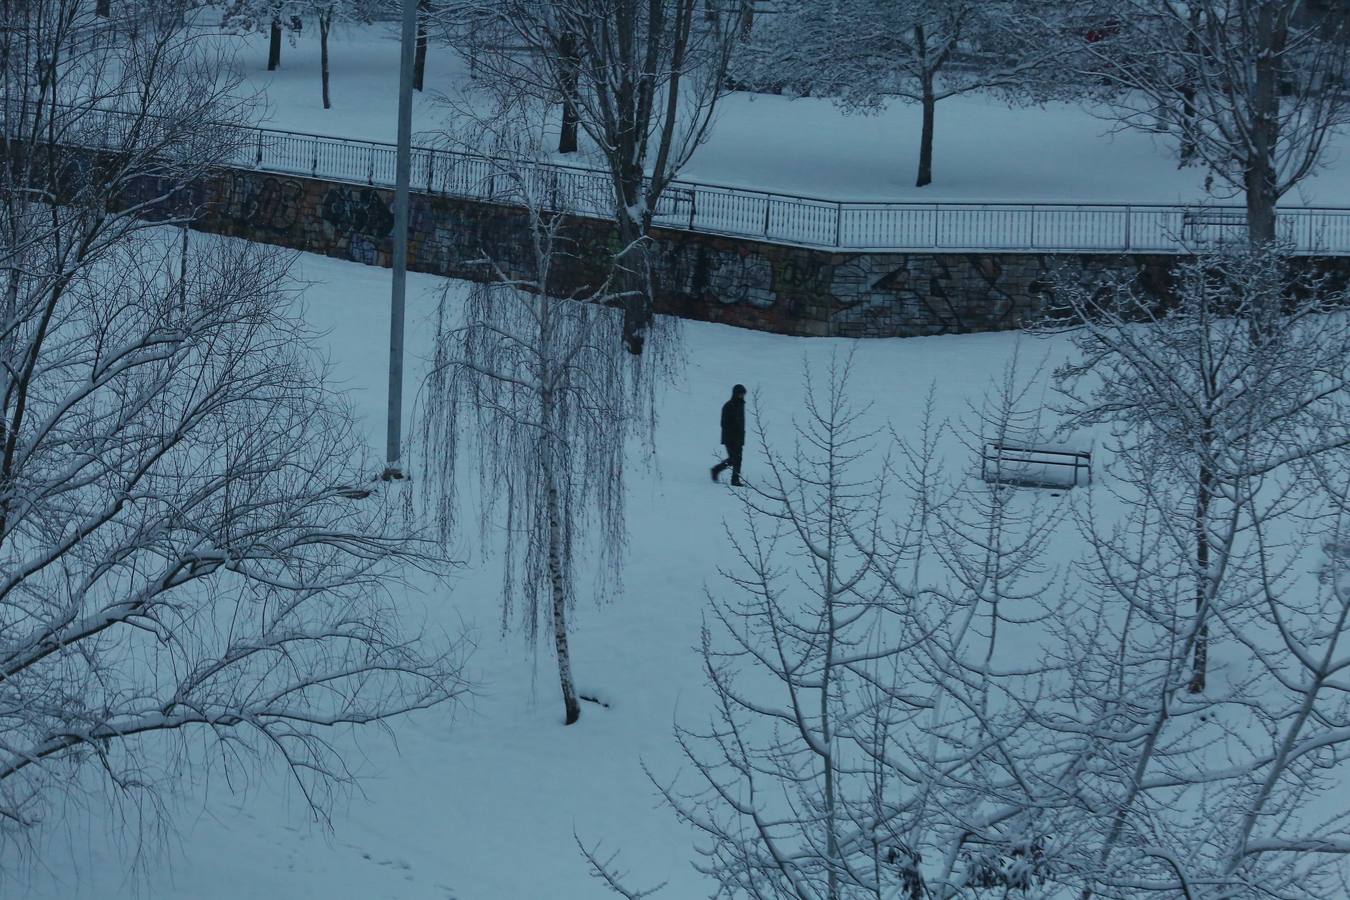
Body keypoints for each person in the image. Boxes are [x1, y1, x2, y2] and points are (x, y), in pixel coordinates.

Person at [711, 384, 747, 486]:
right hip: (730, 437)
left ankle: (731, 477)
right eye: (740, 394)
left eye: (743, 394)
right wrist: (732, 430)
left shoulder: (741, 405)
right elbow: (724, 423)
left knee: (737, 459)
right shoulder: (728, 405)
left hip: (739, 437)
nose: (742, 396)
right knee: (734, 459)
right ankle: (731, 478)